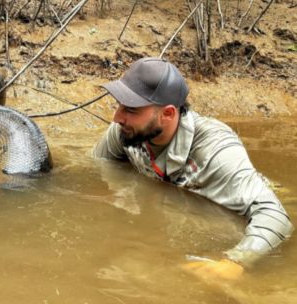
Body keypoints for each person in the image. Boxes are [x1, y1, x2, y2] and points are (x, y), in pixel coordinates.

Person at [92, 57, 293, 281]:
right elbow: (97, 167)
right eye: (119, 105)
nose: (117, 117)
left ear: (167, 113)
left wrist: (236, 261)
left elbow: (275, 216)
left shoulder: (217, 151)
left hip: (248, 191)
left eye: (131, 109)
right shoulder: (125, 130)